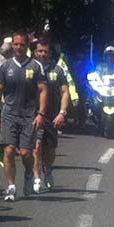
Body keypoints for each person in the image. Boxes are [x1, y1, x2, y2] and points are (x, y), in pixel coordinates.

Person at [0, 31, 48, 201]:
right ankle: (11, 186)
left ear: (26, 46)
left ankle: (29, 174)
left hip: (29, 116)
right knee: (8, 150)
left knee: (25, 153)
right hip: (9, 114)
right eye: (15, 44)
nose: (18, 47)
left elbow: (43, 90)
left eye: (22, 44)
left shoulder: (36, 66)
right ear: (12, 45)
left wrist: (41, 114)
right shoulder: (5, 66)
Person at [32, 39, 69, 191]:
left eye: (45, 51)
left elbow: (65, 91)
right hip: (34, 115)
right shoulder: (30, 69)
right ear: (35, 52)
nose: (42, 54)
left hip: (52, 116)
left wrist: (62, 113)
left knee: (50, 150)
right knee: (37, 146)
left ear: (50, 52)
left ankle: (48, 169)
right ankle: (36, 178)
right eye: (39, 51)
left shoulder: (57, 70)